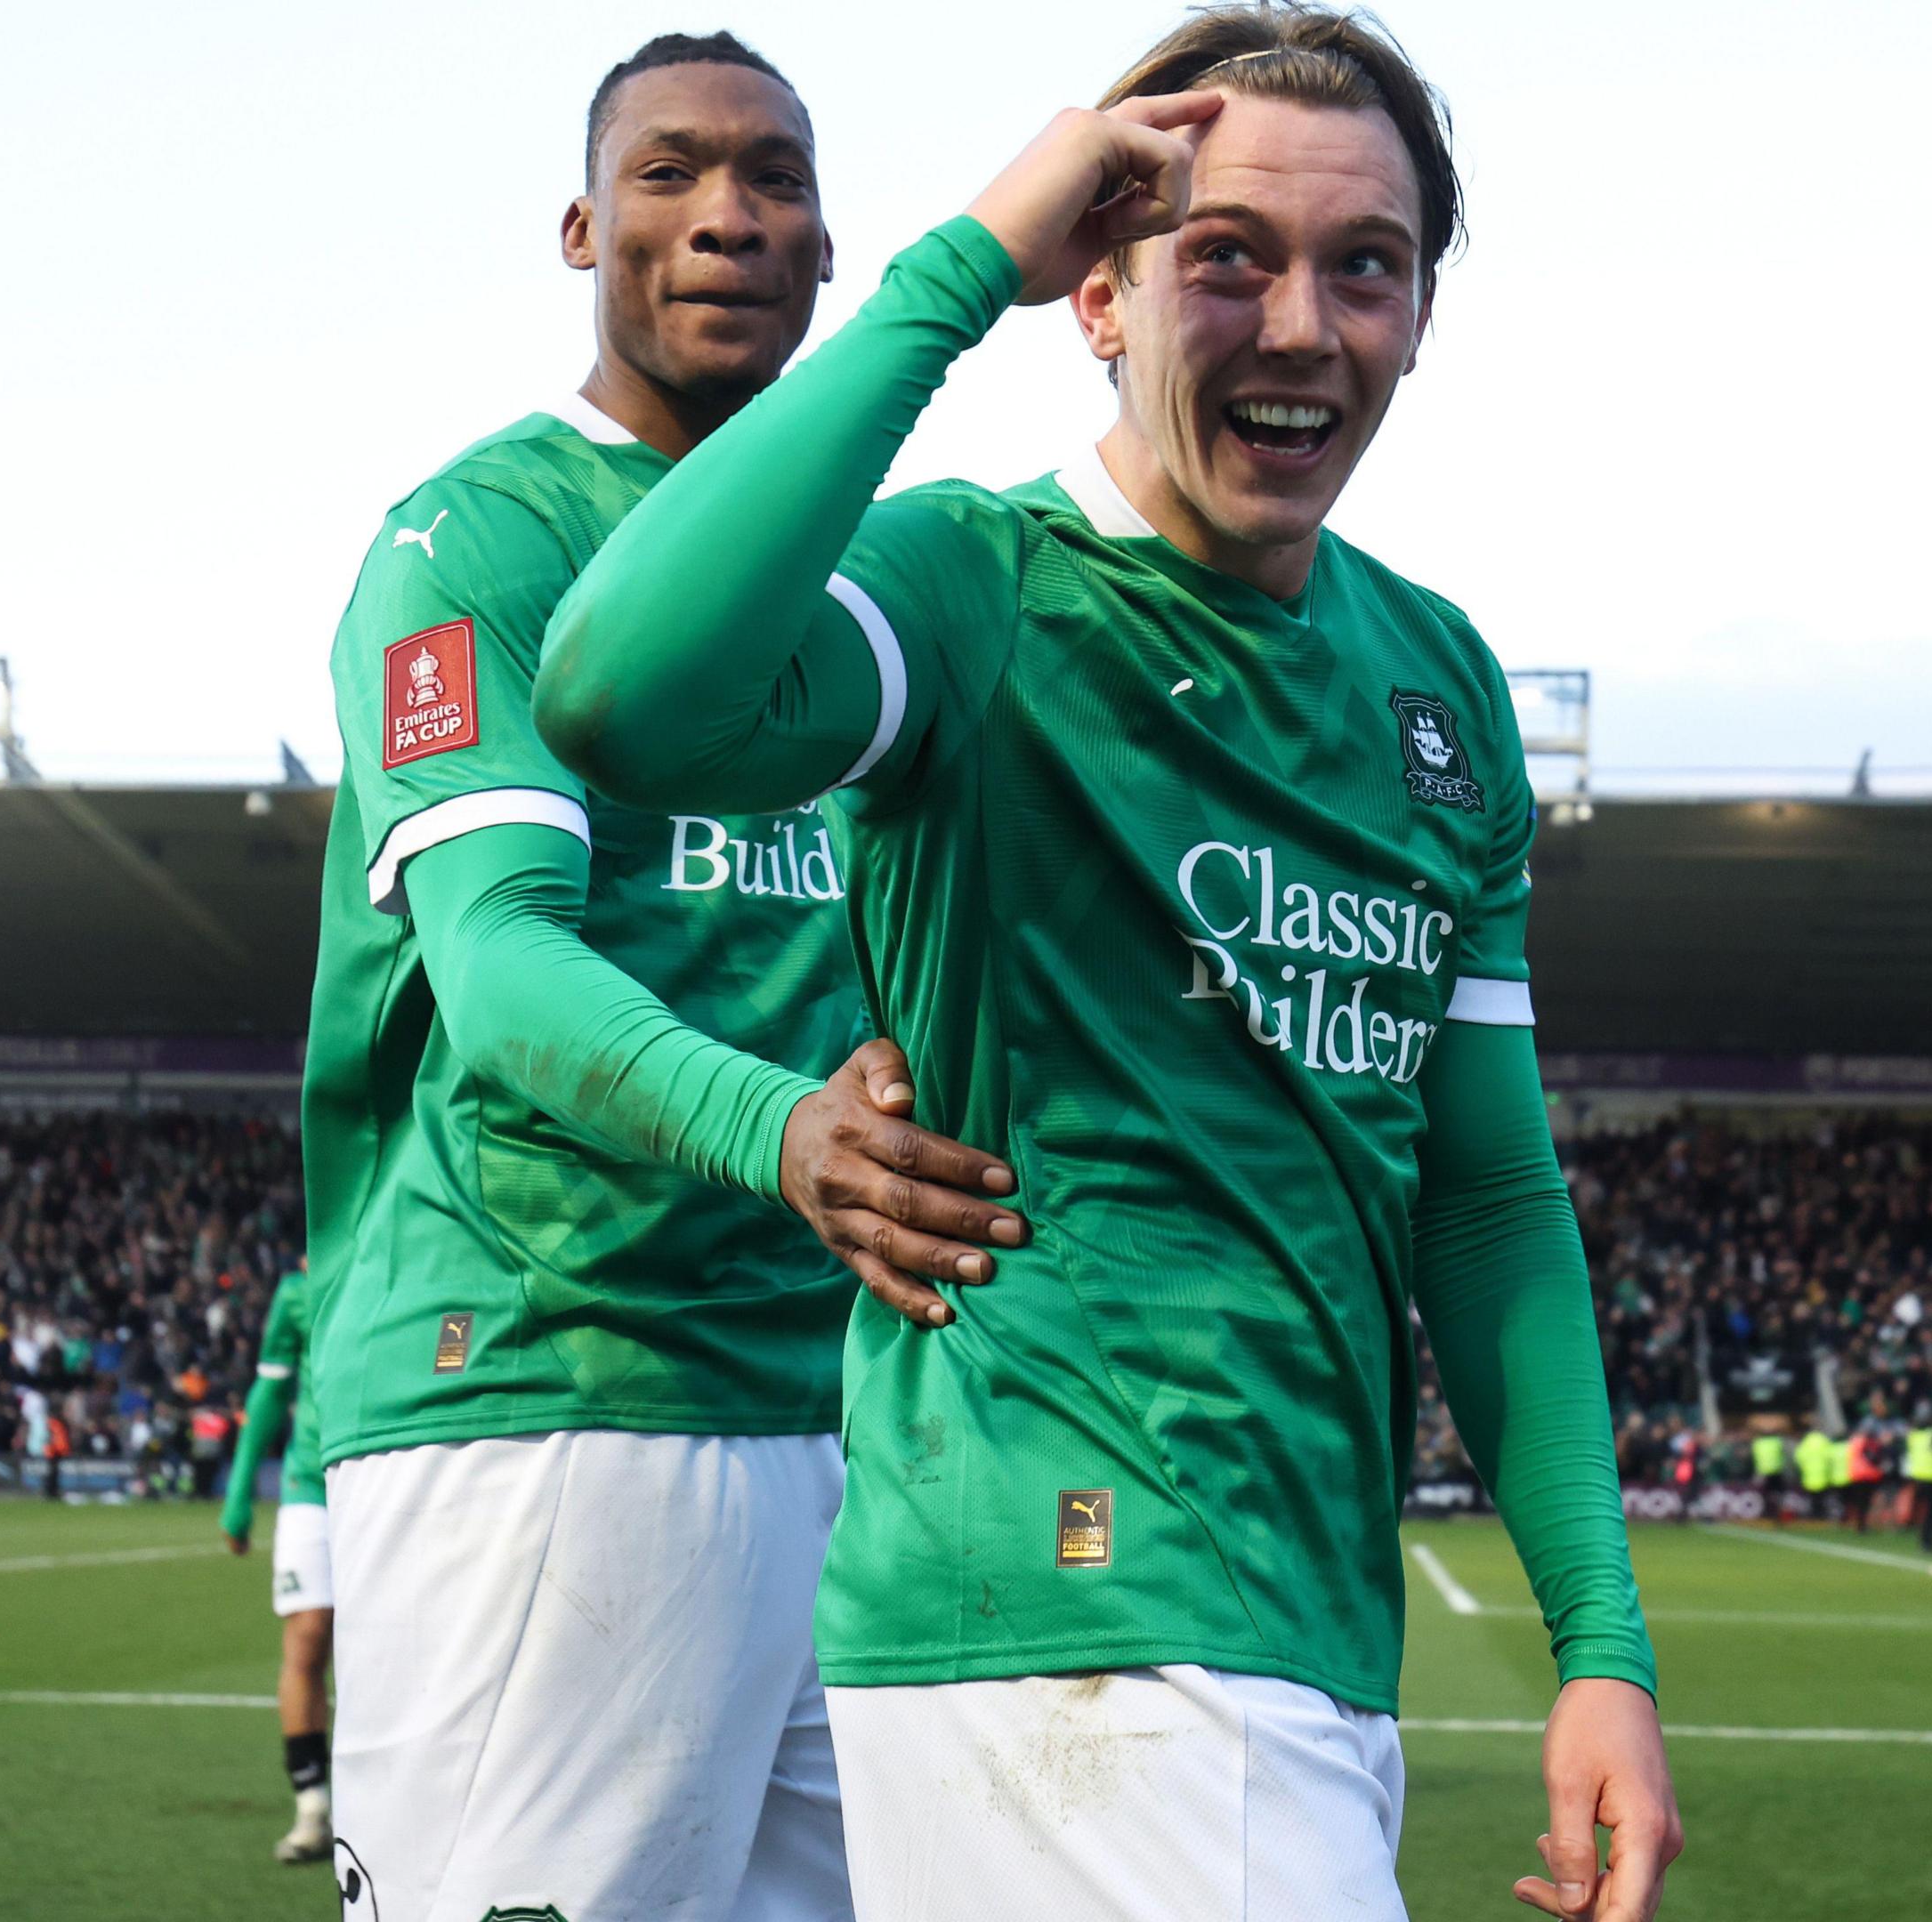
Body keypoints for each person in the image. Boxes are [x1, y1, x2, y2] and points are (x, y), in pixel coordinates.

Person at [536, 12, 1679, 1918]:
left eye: (1365, 269)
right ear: (1102, 289)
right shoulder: (980, 587)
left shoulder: (1439, 688)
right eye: (1226, 257)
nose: (1304, 326)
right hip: (1073, 1609)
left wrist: (1602, 1647)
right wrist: (964, 263)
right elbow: (615, 689)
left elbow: (1483, 1200)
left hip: (1286, 1624)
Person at [299, 34, 1017, 1922]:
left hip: (838, 1419)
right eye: (671, 173)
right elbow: (503, 960)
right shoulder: (481, 543)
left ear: (827, 243)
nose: (727, 216)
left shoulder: (867, 585)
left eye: (773, 178)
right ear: (579, 229)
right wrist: (786, 1129)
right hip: (554, 1392)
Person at [221, 1265, 335, 1867]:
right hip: (310, 1484)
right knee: (309, 1635)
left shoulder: (399, 1255)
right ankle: (312, 1807)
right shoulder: (296, 1292)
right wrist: (240, 1493)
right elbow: (268, 1392)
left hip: (385, 1479)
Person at [1904, 1416, 1932, 1556]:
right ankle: (1928, 1541)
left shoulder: (1914, 1437)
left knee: (1928, 1512)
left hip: (1919, 1478)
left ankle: (1927, 1539)